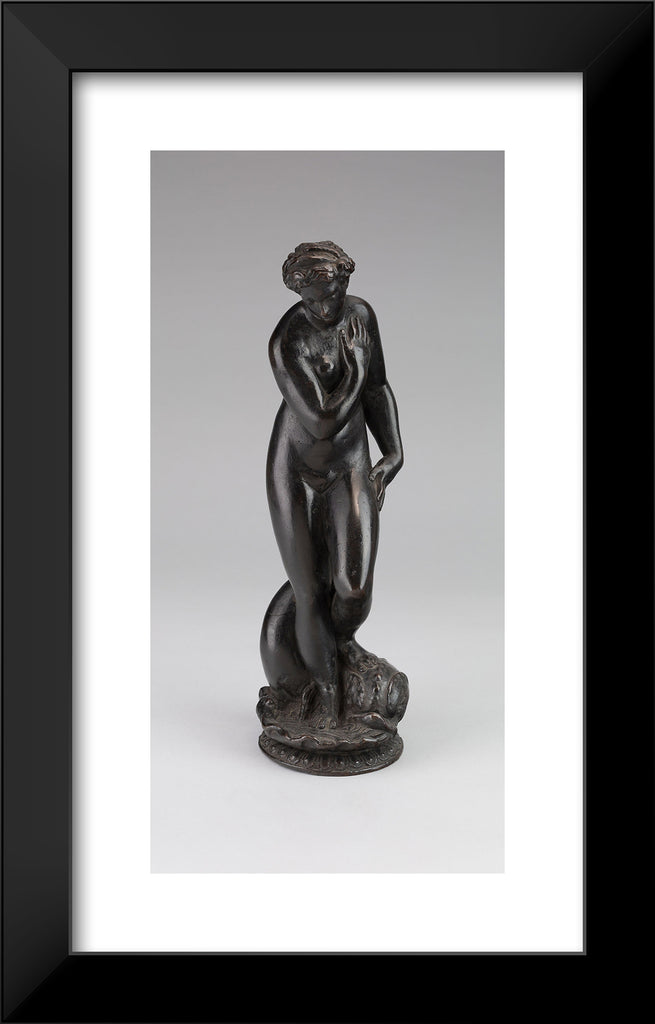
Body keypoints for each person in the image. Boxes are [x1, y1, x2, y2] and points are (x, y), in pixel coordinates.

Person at [261, 241, 404, 729]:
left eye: (333, 295)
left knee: (353, 589)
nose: (324, 309)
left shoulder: (361, 316)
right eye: (312, 301)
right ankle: (327, 696)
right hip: (294, 469)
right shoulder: (287, 341)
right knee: (309, 590)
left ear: (346, 280)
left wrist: (394, 452)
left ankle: (331, 647)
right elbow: (321, 421)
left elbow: (377, 387)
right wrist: (356, 367)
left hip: (349, 462)